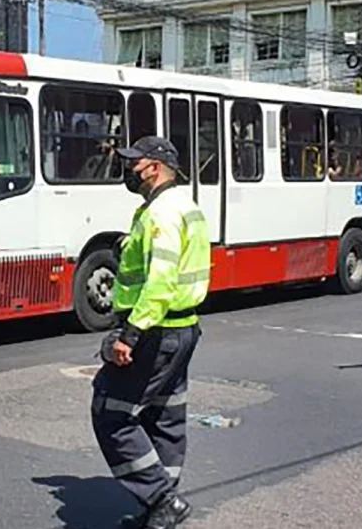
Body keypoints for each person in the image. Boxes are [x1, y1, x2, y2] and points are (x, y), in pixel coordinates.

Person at [91, 136, 211, 529]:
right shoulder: (184, 206)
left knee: (111, 414)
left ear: (154, 168)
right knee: (165, 417)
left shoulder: (161, 213)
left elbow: (160, 280)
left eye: (134, 164)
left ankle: (161, 499)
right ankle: (160, 507)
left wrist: (131, 334)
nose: (129, 170)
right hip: (184, 328)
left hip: (157, 331)